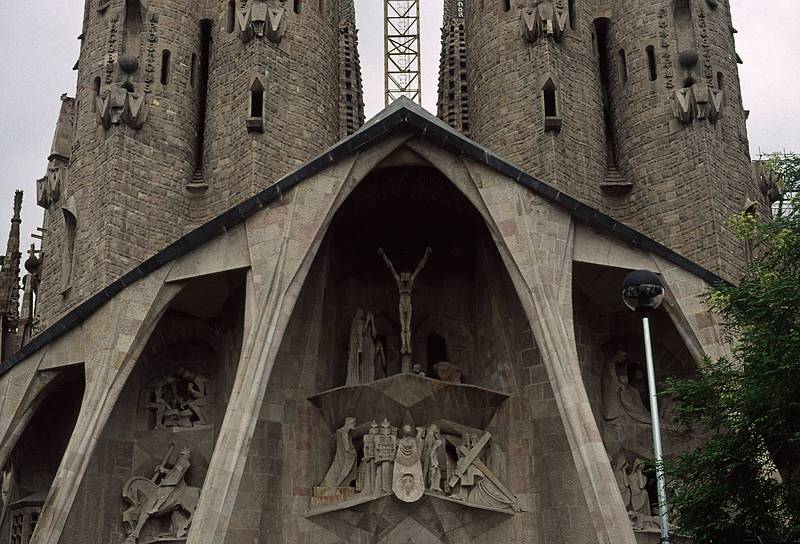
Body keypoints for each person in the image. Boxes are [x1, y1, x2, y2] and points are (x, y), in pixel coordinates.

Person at [378, 247, 432, 359]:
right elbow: (391, 267)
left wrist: (426, 255)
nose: (405, 277)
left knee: (407, 327)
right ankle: (404, 345)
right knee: (404, 327)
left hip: (407, 302)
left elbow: (419, 268)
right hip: (402, 302)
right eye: (404, 274)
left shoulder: (411, 281)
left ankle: (407, 346)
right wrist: (383, 255)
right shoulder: (399, 281)